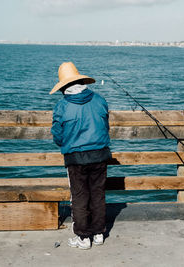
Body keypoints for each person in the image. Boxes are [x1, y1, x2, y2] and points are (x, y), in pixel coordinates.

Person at [50, 62, 111, 250]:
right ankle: (99, 233)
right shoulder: (100, 100)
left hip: (76, 158)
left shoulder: (62, 106)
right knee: (98, 195)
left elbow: (57, 135)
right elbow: (105, 126)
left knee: (79, 196)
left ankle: (83, 238)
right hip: (100, 155)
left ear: (64, 86)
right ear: (82, 81)